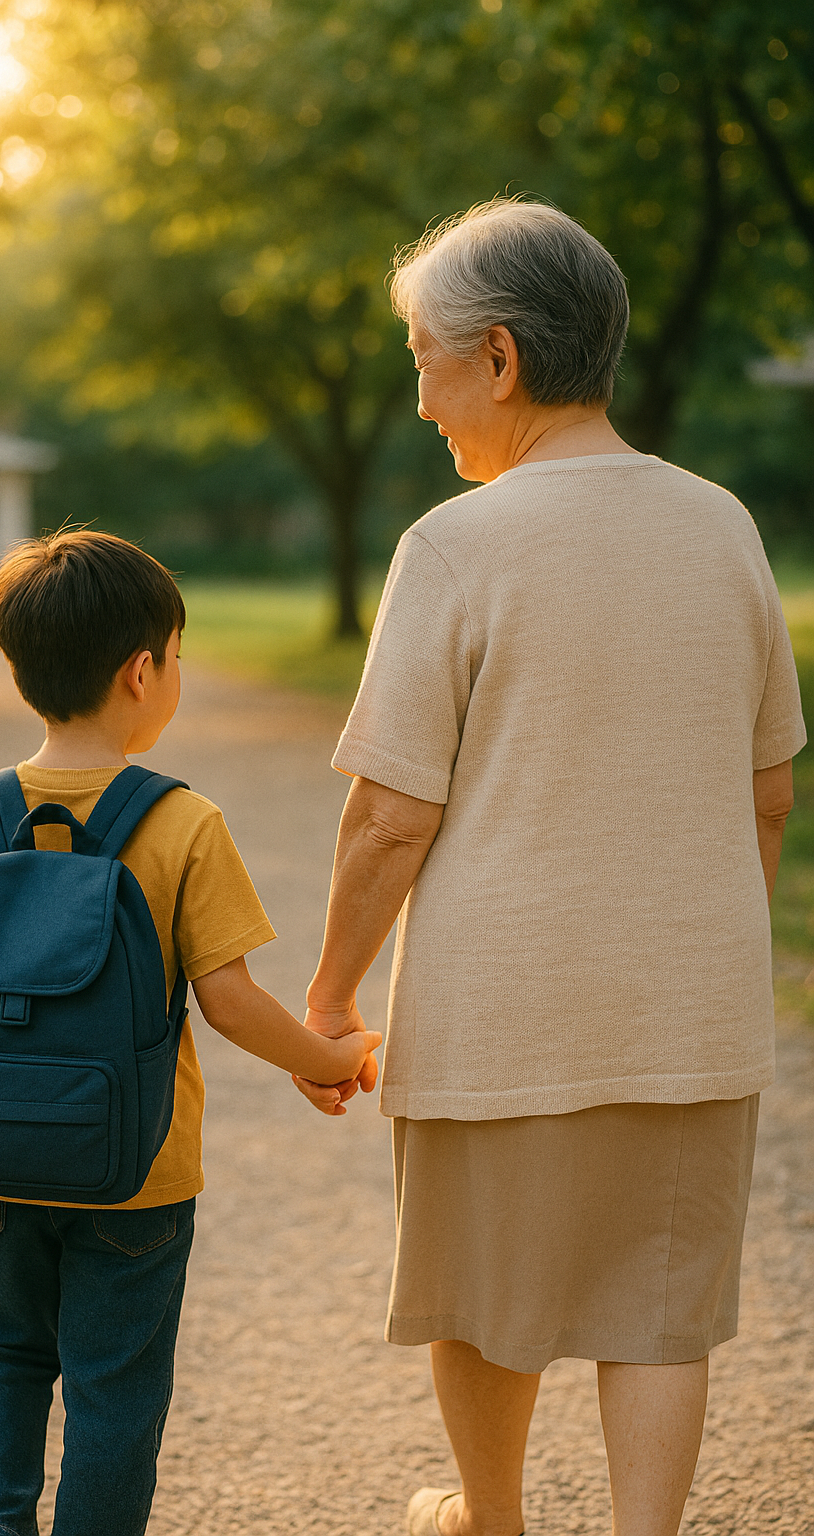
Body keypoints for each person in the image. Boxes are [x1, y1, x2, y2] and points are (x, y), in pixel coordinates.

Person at [294, 198, 806, 1536]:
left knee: (486, 1295)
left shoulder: (454, 549)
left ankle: (494, 1521)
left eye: (424, 358)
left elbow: (390, 817)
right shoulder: (726, 529)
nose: (420, 401)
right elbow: (768, 795)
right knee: (659, 1313)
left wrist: (333, 995)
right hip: (692, 1009)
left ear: (500, 358)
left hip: (499, 1008)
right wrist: (700, 946)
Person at [0, 529, 380, 1536]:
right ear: (142, 673)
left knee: (2, 1352)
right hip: (135, 1173)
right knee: (114, 1385)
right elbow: (229, 1001)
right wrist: (331, 1057)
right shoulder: (181, 823)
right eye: (178, 657)